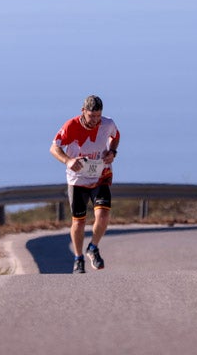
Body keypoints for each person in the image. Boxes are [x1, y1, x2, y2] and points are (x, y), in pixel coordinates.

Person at [50, 94, 120, 274]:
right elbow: (54, 147)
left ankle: (93, 247)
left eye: (98, 116)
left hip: (100, 175)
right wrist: (68, 161)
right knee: (79, 222)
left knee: (103, 217)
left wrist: (112, 151)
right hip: (78, 180)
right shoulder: (71, 126)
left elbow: (116, 136)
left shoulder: (107, 123)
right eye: (91, 116)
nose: (95, 121)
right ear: (83, 112)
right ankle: (78, 257)